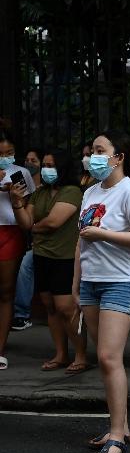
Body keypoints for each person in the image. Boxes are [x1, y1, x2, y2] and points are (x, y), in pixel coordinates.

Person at [75, 130, 130, 453]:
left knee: (109, 357)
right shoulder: (90, 193)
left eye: (99, 150)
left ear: (118, 157)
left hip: (122, 281)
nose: (91, 157)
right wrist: (76, 286)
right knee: (106, 360)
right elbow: (80, 243)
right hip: (91, 283)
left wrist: (104, 234)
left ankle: (117, 434)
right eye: (91, 150)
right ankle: (119, 425)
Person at [10, 148, 89, 374]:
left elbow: (54, 222)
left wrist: (35, 228)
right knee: (51, 307)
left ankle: (81, 356)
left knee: (66, 307)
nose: (46, 170)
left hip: (64, 257)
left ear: (62, 168)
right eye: (44, 165)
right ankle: (61, 354)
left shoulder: (73, 191)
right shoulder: (40, 193)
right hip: (42, 255)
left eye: (51, 165)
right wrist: (17, 202)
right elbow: (25, 221)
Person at [0, 131, 36, 369]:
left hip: (10, 231)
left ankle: (0, 348)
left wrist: (15, 194)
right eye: (0, 154)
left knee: (5, 291)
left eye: (9, 153)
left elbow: (30, 202)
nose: (5, 158)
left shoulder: (20, 173)